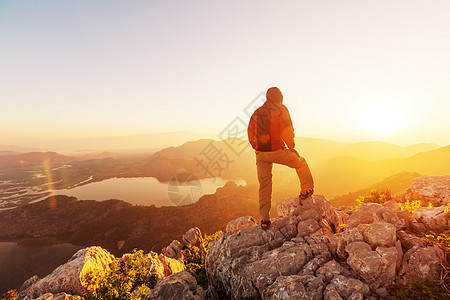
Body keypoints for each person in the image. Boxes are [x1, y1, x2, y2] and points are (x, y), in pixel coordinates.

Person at [247, 87, 314, 229]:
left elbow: (250, 131)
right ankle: (306, 190)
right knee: (301, 163)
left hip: (261, 155)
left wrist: (256, 147)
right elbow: (288, 131)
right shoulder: (281, 109)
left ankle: (264, 219)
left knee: (264, 186)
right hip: (277, 150)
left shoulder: (257, 112)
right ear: (279, 97)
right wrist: (291, 147)